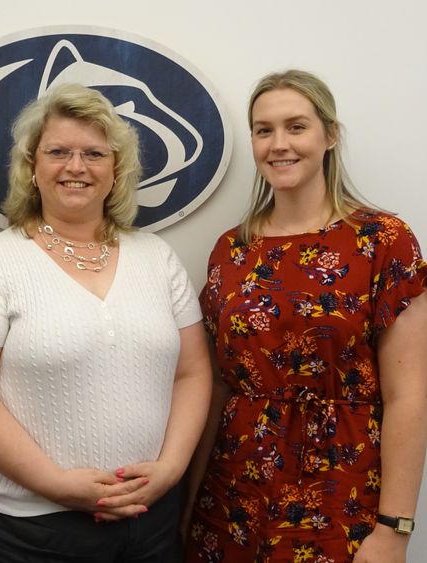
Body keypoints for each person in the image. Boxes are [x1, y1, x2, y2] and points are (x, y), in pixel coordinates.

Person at [0, 83, 212, 562]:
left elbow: (192, 372)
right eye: (58, 152)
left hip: (148, 522)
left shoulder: (157, 257)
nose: (76, 167)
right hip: (23, 531)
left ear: (116, 170)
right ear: (32, 168)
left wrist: (170, 469)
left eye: (94, 154)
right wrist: (55, 484)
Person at [183, 69, 427, 563]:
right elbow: (218, 387)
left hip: (338, 490)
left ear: (329, 135)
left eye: (296, 126)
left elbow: (409, 394)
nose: (279, 144)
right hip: (233, 490)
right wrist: (185, 508)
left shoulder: (382, 240)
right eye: (263, 130)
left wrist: (394, 530)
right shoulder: (232, 251)